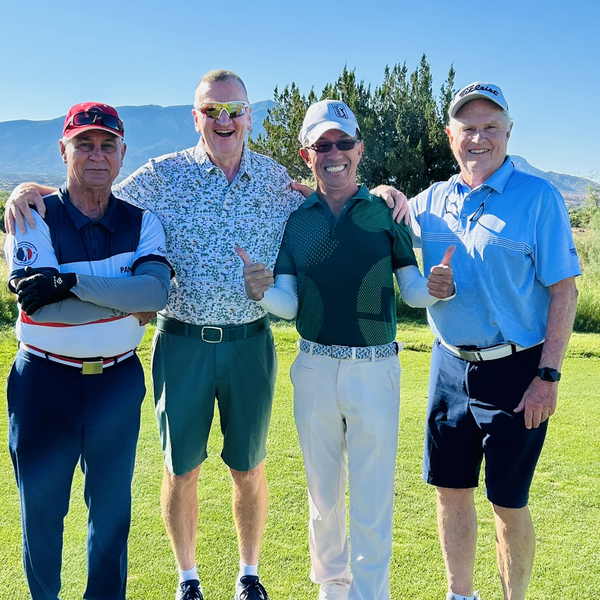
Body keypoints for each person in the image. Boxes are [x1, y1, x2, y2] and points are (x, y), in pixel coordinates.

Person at [4, 71, 408, 600]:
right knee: (181, 470)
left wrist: (382, 193)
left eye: (234, 110)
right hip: (182, 340)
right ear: (196, 118)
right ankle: (188, 578)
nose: (224, 120)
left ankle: (248, 574)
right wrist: (27, 190)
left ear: (249, 117)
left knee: (250, 467)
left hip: (250, 342)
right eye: (212, 111)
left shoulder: (274, 179)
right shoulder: (162, 175)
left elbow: (332, 194)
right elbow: (90, 190)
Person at [237, 99, 456, 600]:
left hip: (375, 370)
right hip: (314, 367)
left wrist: (437, 288)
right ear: (307, 155)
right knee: (323, 497)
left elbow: (411, 290)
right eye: (322, 145)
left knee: (373, 496)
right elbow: (289, 304)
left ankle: (370, 594)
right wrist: (261, 293)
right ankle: (333, 588)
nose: (334, 153)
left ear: (359, 149)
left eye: (343, 143)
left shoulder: (384, 212)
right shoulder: (297, 220)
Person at [408, 82, 581, 600]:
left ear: (508, 133)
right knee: (450, 491)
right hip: (448, 367)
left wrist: (548, 376)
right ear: (450, 136)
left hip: (517, 371)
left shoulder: (539, 197)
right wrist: (381, 194)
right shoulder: (430, 201)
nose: (478, 138)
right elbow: (379, 214)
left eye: (490, 127)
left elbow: (564, 291)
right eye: (468, 128)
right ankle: (460, 595)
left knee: (508, 501)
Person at [4, 102, 172, 600]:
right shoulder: (33, 214)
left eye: (106, 145)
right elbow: (42, 309)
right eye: (84, 144)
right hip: (43, 384)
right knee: (41, 514)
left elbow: (156, 293)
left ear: (122, 154)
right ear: (63, 151)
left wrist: (70, 281)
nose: (96, 154)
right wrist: (124, 297)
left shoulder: (142, 221)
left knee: (112, 515)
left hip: (116, 384)